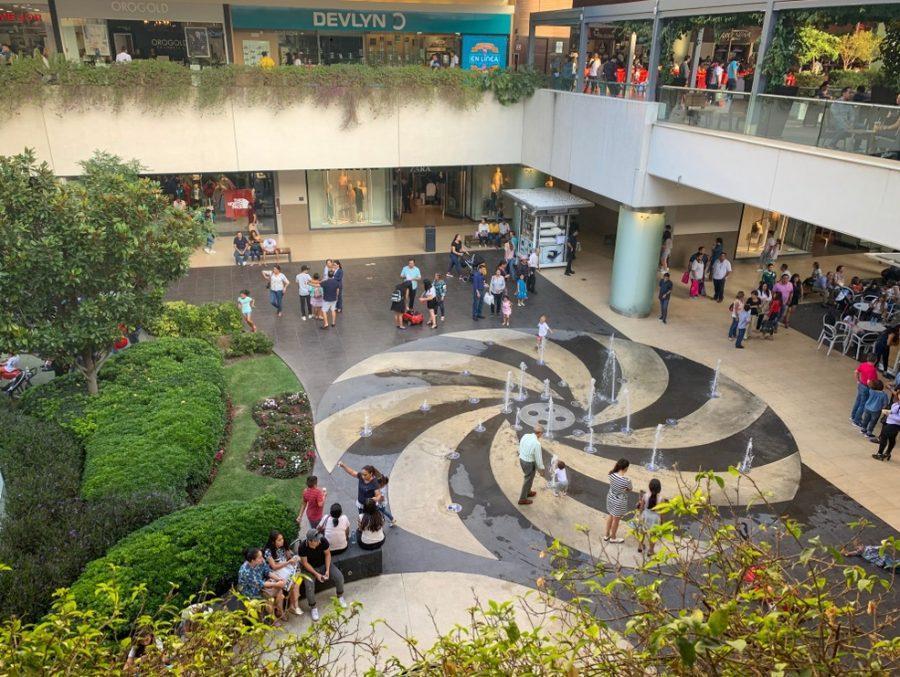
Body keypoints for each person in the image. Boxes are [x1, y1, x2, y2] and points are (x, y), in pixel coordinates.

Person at [297, 530, 347, 621]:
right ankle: (313, 607)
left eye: (319, 539)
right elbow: (305, 563)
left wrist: (327, 570)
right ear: (310, 541)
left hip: (324, 565)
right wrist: (316, 574)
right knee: (309, 587)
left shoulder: (323, 540)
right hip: (309, 569)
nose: (319, 541)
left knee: (339, 577)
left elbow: (327, 554)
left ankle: (340, 596)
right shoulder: (302, 547)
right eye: (316, 540)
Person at [263, 531, 303, 617]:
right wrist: (288, 562)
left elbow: (289, 556)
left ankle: (294, 605)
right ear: (273, 542)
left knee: (299, 580)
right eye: (279, 540)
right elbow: (274, 567)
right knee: (294, 584)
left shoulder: (283, 547)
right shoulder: (268, 551)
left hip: (286, 569)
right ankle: (294, 606)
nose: (282, 541)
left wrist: (294, 558)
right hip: (276, 572)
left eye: (282, 539)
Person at [237, 547, 284, 618]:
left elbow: (267, 572)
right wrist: (276, 584)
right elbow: (260, 583)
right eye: (260, 557)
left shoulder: (261, 561)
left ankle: (280, 612)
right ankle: (272, 619)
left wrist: (278, 579)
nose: (262, 559)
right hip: (251, 592)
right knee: (269, 599)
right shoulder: (245, 571)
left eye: (262, 556)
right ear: (253, 560)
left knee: (279, 590)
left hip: (261, 585)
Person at [605, 458, 632, 544]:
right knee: (616, 520)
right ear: (626, 468)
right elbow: (630, 489)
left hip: (610, 497)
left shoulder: (611, 474)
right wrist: (624, 490)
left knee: (610, 515)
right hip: (619, 501)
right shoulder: (626, 480)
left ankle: (606, 535)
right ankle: (613, 538)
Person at [517, 425, 544, 505]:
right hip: (529, 463)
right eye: (542, 433)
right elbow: (538, 458)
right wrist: (541, 469)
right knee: (528, 479)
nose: (542, 435)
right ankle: (522, 499)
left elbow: (520, 445)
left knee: (530, 478)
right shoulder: (537, 443)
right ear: (539, 433)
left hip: (522, 459)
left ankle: (528, 492)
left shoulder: (526, 435)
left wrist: (521, 454)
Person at [636, 478, 663, 555]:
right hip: (655, 518)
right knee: (653, 535)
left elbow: (641, 507)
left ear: (649, 487)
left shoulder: (645, 495)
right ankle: (651, 551)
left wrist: (640, 516)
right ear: (659, 489)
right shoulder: (661, 499)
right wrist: (662, 521)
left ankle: (640, 547)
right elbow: (662, 512)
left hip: (645, 515)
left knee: (642, 532)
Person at [851, 353, 878, 426]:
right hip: (866, 387)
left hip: (861, 385)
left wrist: (858, 381)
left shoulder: (863, 365)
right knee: (863, 405)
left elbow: (856, 372)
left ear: (867, 358)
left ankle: (853, 416)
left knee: (858, 401)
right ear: (876, 360)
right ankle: (856, 420)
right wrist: (872, 389)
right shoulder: (873, 369)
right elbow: (869, 381)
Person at [872, 390, 900, 461]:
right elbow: (894, 411)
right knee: (892, 439)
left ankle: (879, 454)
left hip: (893, 424)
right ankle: (887, 453)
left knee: (884, 438)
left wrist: (889, 414)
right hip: (891, 423)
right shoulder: (898, 403)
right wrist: (890, 412)